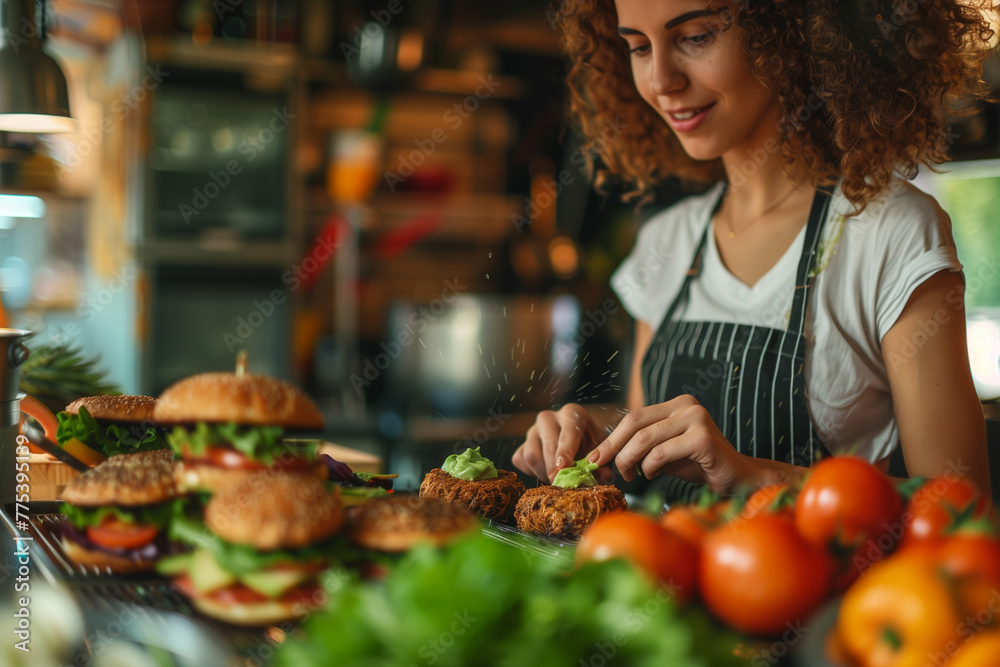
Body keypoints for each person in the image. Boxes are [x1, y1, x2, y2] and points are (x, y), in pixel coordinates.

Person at [512, 0, 995, 500]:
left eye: (696, 37)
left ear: (792, 32)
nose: (660, 80)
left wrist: (753, 478)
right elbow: (643, 451)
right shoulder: (667, 241)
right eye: (637, 47)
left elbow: (963, 507)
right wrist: (599, 439)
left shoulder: (888, 231)